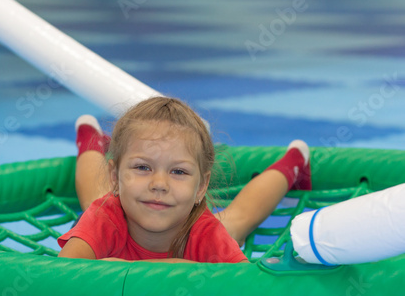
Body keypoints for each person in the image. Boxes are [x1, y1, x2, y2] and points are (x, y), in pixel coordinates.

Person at [58, 96, 311, 263]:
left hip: (192, 225)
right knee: (96, 199)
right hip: (111, 209)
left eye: (178, 171)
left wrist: (117, 267)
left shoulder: (205, 234)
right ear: (116, 175)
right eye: (143, 167)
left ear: (201, 186)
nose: (159, 183)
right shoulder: (105, 219)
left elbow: (246, 290)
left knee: (235, 223)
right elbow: (61, 275)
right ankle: (91, 141)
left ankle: (294, 163)